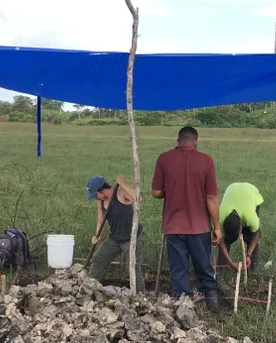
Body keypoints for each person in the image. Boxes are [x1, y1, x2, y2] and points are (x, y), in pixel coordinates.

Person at [151, 126, 222, 312]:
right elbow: (212, 198)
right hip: (199, 226)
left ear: (178, 141)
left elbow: (156, 192)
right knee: (203, 265)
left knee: (178, 268)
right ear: (196, 141)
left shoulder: (164, 159)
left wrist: (170, 191)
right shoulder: (206, 160)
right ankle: (212, 302)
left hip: (173, 225)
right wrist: (217, 227)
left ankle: (183, 305)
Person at [86, 174, 144, 291]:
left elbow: (138, 198)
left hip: (131, 238)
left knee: (132, 268)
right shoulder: (100, 202)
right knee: (98, 259)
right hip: (115, 238)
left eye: (95, 195)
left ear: (102, 190)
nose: (95, 198)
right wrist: (97, 235)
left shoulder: (121, 193)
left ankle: (140, 296)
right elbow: (100, 221)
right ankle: (89, 289)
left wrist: (122, 184)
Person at [217, 182, 263, 272]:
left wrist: (248, 255)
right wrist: (230, 263)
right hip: (233, 187)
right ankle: (222, 270)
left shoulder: (250, 216)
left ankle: (253, 269)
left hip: (250, 192)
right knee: (227, 239)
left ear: (240, 224)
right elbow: (220, 240)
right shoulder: (220, 216)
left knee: (250, 235)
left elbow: (256, 234)